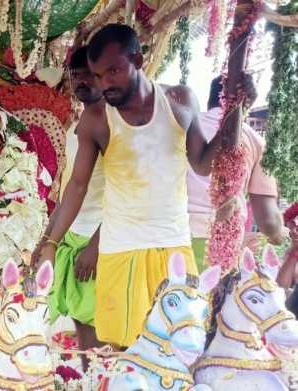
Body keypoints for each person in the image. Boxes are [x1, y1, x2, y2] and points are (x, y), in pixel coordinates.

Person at [38, 24, 253, 349]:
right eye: (99, 75)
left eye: (113, 71)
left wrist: (235, 110)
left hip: (174, 244)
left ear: (137, 60)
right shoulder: (96, 119)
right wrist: (50, 243)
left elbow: (202, 163)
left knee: (179, 346)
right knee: (124, 350)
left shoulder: (179, 100)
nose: (105, 83)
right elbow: (77, 186)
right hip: (120, 249)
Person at [31, 46, 105, 369]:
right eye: (75, 76)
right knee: (80, 321)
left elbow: (124, 192)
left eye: (88, 74)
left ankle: (102, 381)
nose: (81, 81)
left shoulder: (111, 123)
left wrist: (97, 244)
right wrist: (48, 237)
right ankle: (92, 382)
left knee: (101, 329)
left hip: (97, 240)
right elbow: (68, 191)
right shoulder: (79, 123)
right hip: (73, 236)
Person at [188, 76, 286, 272]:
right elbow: (267, 221)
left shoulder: (187, 125)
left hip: (173, 236)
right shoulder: (255, 139)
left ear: (210, 101)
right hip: (222, 244)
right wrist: (279, 233)